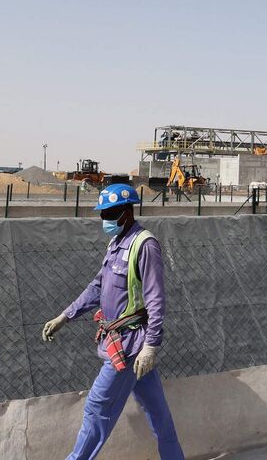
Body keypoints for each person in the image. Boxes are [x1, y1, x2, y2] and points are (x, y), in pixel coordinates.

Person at [41, 183, 184, 460]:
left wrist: (150, 346)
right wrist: (66, 316)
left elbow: (156, 300)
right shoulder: (116, 242)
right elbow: (98, 286)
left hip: (130, 348)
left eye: (110, 213)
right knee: (159, 414)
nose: (105, 218)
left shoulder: (144, 245)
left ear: (127, 212)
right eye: (102, 213)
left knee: (97, 409)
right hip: (120, 342)